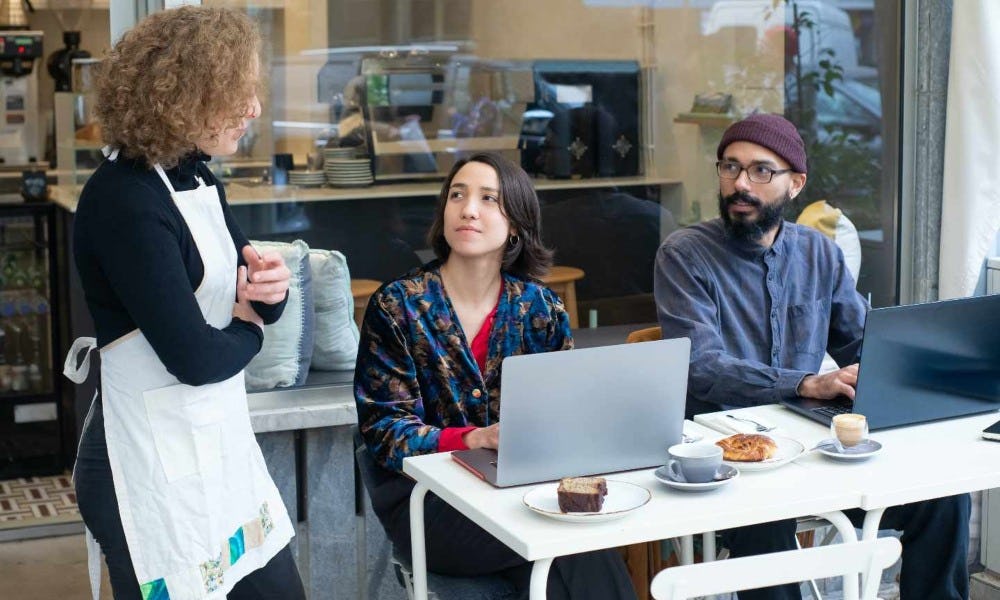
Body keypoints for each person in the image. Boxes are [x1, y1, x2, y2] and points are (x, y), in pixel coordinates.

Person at [653, 113, 970, 600]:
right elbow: (702, 367)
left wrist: (930, 367)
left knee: (944, 498)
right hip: (728, 457)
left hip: (816, 448)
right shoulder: (685, 254)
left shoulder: (819, 253)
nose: (741, 184)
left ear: (795, 183)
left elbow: (861, 345)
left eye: (761, 171)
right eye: (730, 167)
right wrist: (804, 383)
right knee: (765, 524)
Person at [66, 7, 305, 599]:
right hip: (142, 466)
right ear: (183, 95)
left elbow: (245, 283)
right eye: (236, 91)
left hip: (216, 446)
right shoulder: (124, 201)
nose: (252, 108)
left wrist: (266, 295)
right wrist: (253, 327)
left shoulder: (196, 178)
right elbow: (194, 358)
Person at [354, 152, 637, 599]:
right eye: (458, 195)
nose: (468, 209)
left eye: (489, 199)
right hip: (430, 503)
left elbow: (562, 415)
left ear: (516, 225)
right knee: (577, 544)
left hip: (523, 491)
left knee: (567, 553)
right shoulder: (398, 306)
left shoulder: (541, 309)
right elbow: (384, 431)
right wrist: (471, 439)